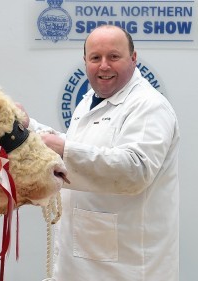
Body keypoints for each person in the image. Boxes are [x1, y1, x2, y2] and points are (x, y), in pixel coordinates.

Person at [26, 25, 180, 280]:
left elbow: (135, 170)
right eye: (95, 58)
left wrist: (64, 151)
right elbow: (79, 146)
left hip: (126, 269)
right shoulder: (90, 100)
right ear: (85, 61)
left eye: (114, 56)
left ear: (133, 58)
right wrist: (26, 126)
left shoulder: (149, 106)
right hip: (83, 262)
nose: (104, 66)